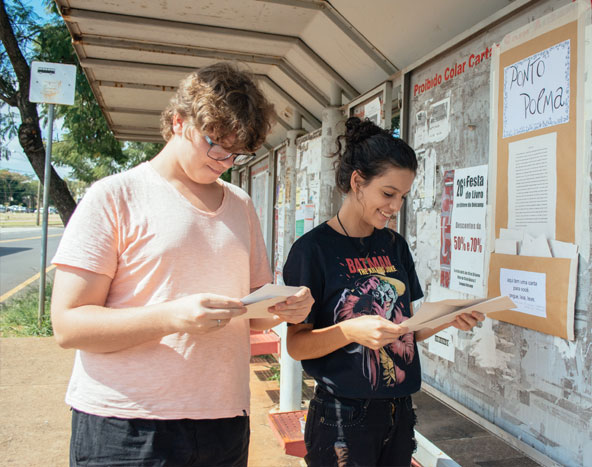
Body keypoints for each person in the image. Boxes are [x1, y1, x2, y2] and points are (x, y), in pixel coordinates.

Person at [50, 61, 314, 467]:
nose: (225, 159)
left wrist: (284, 308)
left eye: (236, 152)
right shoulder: (114, 196)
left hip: (223, 420)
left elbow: (254, 315)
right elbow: (68, 325)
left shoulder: (240, 205)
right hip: (125, 424)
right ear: (178, 121)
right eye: (215, 144)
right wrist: (171, 317)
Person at [282, 117, 485, 466]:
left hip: (399, 411)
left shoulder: (395, 245)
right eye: (388, 194)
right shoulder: (312, 250)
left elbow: (403, 331)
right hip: (342, 415)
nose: (395, 207)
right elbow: (296, 344)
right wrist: (349, 331)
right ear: (357, 182)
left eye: (403, 196)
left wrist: (449, 319)